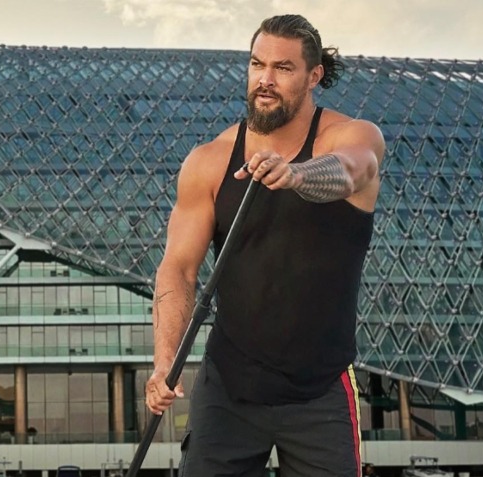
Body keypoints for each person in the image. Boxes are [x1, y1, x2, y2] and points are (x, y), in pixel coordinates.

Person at [145, 13, 385, 477]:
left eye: (283, 68)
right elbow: (179, 268)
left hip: (320, 388)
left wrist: (296, 174)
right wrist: (164, 363)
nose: (265, 80)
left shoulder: (351, 136)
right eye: (257, 65)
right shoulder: (210, 161)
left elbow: (353, 170)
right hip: (228, 386)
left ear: (314, 76)